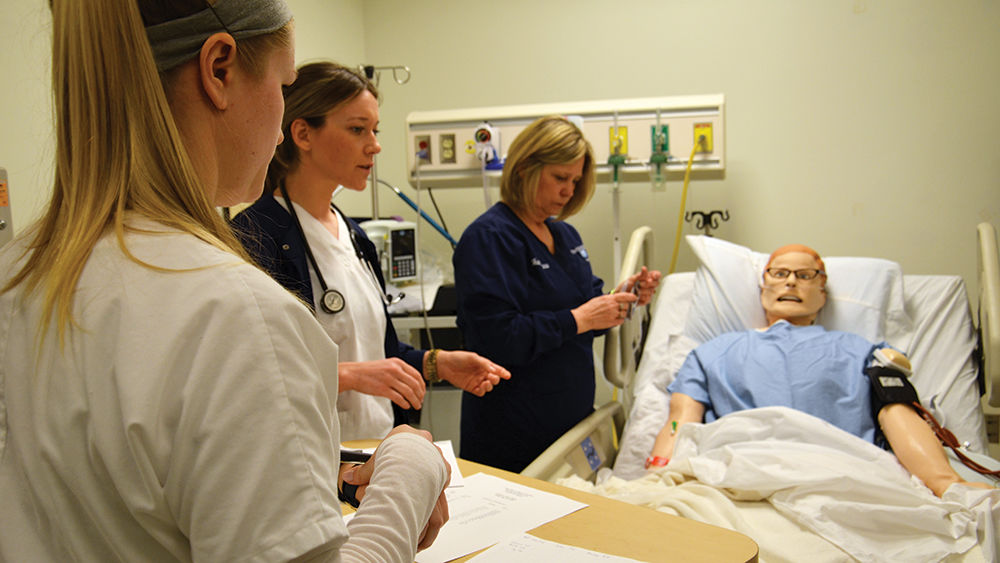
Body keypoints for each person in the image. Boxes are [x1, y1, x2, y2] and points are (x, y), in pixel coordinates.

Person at [0, 1, 451, 561]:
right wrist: (410, 468)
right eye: (284, 84)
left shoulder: (17, 278)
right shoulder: (237, 315)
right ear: (219, 70)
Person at [230, 61, 510, 442]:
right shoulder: (254, 238)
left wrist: (438, 363)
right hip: (312, 458)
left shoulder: (355, 237)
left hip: (377, 450)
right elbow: (248, 375)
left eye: (374, 131)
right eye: (357, 129)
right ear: (302, 133)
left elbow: (381, 352)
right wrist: (349, 375)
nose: (375, 145)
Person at [648, 244, 992, 497]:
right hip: (741, 472)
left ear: (822, 292)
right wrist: (656, 477)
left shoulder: (861, 351)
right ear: (762, 286)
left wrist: (944, 482)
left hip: (843, 473)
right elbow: (679, 421)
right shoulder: (710, 353)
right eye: (779, 273)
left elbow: (897, 411)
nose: (791, 283)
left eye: (805, 275)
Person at [453, 116, 662, 472]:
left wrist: (621, 298)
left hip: (570, 424)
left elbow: (586, 307)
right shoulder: (490, 238)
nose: (569, 190)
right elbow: (497, 339)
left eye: (576, 180)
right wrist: (579, 320)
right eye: (560, 178)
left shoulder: (566, 237)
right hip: (514, 431)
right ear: (524, 170)